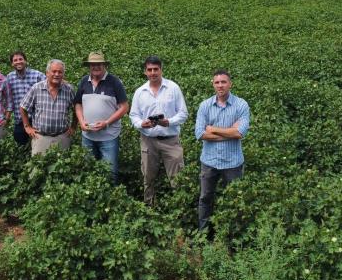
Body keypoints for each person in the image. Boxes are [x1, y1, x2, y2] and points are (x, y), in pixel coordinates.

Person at [195, 69, 250, 235]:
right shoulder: (205, 105)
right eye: (217, 82)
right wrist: (229, 133)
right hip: (209, 161)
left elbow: (240, 133)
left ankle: (234, 237)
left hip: (233, 162)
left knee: (235, 200)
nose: (220, 85)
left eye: (223, 82)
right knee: (205, 198)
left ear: (230, 84)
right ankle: (203, 234)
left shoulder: (241, 105)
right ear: (213, 84)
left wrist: (213, 129)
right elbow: (200, 133)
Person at [128, 55, 188, 205]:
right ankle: (149, 207)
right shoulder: (140, 92)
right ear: (145, 72)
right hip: (148, 141)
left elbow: (183, 113)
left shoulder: (173, 88)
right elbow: (133, 115)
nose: (153, 72)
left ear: (161, 70)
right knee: (148, 178)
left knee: (178, 178)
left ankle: (180, 208)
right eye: (150, 70)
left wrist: (168, 122)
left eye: (156, 69)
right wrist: (142, 124)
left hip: (171, 141)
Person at [74, 51, 129, 184]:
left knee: (110, 173)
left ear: (104, 65)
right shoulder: (83, 82)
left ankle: (110, 200)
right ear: (89, 66)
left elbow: (124, 107)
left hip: (109, 137)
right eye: (93, 64)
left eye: (99, 64)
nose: (96, 67)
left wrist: (106, 123)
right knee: (88, 171)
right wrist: (81, 122)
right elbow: (78, 104)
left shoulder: (114, 82)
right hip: (87, 137)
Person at [20, 59, 76, 156]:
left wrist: (73, 127)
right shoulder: (36, 88)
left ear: (63, 74)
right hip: (41, 138)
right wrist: (27, 126)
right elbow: (23, 107)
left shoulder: (69, 90)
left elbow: (76, 109)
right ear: (47, 73)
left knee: (62, 168)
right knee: (39, 168)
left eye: (60, 72)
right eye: (54, 71)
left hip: (62, 137)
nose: (57, 74)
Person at [6, 51, 45, 148]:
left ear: (25, 61)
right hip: (20, 120)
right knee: (21, 145)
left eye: (20, 59)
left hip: (37, 119)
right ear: (12, 64)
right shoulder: (9, 78)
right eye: (15, 60)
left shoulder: (37, 75)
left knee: (38, 147)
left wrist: (63, 81)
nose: (18, 62)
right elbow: (6, 98)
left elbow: (51, 82)